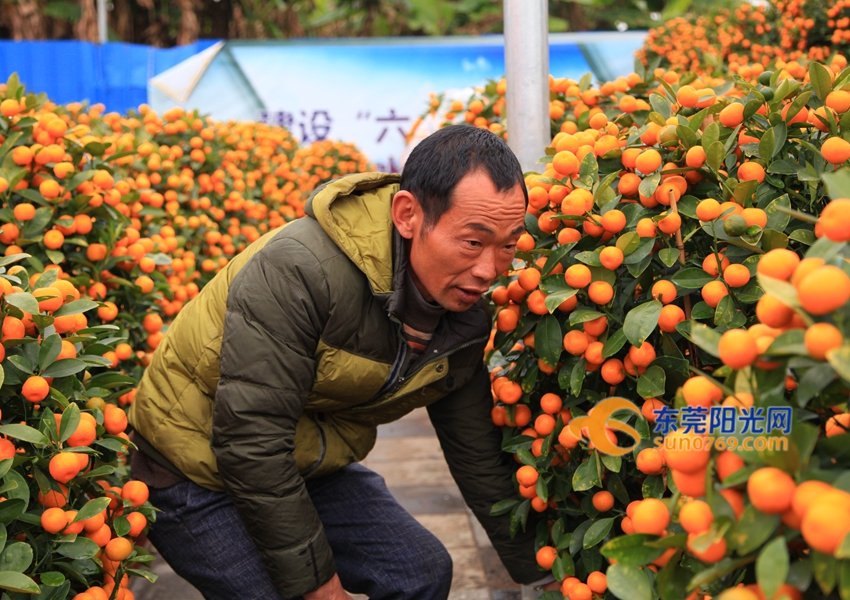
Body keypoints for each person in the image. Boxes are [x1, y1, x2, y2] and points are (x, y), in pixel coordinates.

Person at [128, 125, 555, 600]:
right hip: (192, 468)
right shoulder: (300, 271)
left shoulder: (462, 317)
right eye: (473, 242)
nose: (489, 270)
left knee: (420, 571)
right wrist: (316, 584)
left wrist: (538, 571)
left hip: (301, 459)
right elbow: (250, 440)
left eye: (509, 245)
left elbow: (475, 452)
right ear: (408, 215)